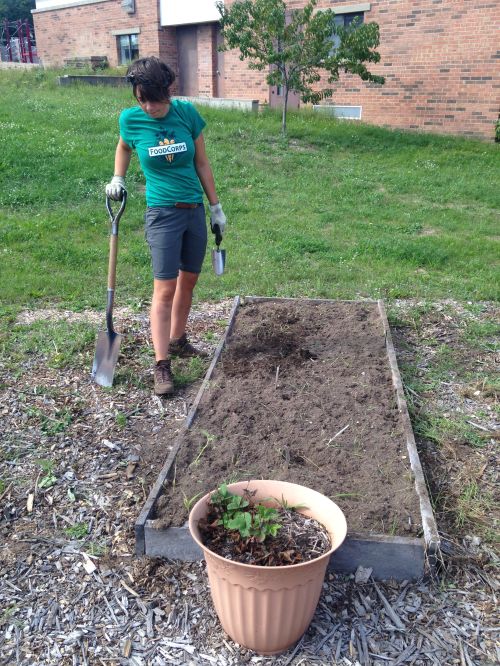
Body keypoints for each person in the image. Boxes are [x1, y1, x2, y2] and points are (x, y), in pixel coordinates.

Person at [105, 57, 227, 397]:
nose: (148, 107)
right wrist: (118, 177)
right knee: (165, 288)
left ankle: (178, 340)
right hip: (161, 214)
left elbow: (202, 162)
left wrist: (215, 207)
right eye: (141, 99)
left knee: (189, 281)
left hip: (193, 212)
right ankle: (161, 365)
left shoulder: (186, 114)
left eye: (154, 99)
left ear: (167, 92)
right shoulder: (132, 120)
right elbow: (124, 146)